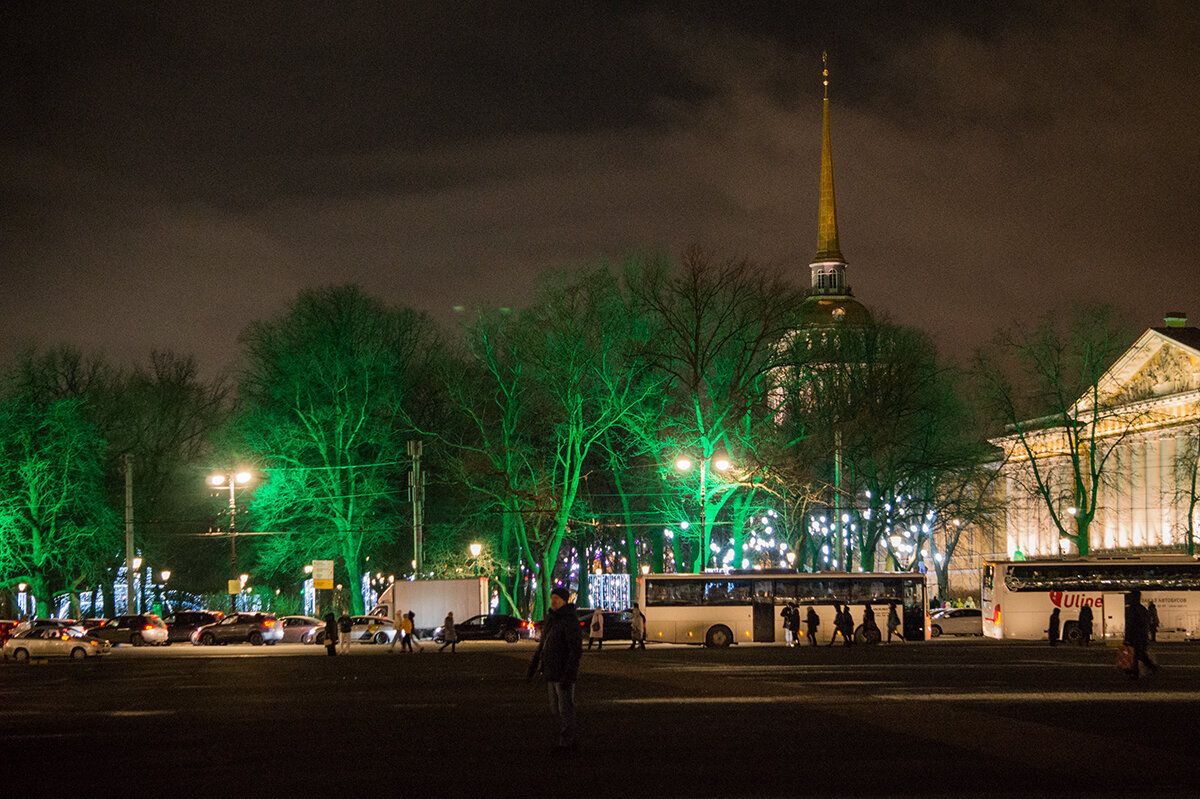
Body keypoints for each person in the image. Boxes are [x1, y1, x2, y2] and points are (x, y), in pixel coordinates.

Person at [527, 586, 583, 754]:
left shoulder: (569, 620)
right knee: (557, 708)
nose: (553, 602)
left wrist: (569, 674)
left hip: (563, 672)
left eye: (557, 599)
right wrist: (534, 666)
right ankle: (569, 739)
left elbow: (575, 650)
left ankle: (566, 743)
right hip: (552, 671)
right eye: (552, 599)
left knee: (565, 708)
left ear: (564, 601)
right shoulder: (553, 619)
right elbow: (543, 645)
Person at [1123, 590, 1158, 679]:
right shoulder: (1142, 609)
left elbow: (1129, 624)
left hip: (1134, 636)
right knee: (1139, 654)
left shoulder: (1131, 609)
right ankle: (1143, 669)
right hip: (1142, 635)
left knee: (1136, 655)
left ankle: (1137, 672)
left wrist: (1127, 637)